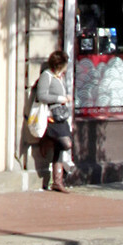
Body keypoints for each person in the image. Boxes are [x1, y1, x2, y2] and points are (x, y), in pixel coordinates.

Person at [32, 48, 73, 191]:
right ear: (59, 64)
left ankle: (57, 181)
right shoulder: (47, 75)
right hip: (51, 117)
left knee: (61, 147)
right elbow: (41, 95)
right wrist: (61, 98)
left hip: (60, 116)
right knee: (66, 143)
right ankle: (46, 140)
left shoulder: (59, 77)